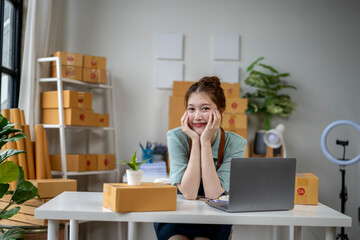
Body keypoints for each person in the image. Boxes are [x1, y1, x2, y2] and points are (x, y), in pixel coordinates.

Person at [154, 76, 247, 240]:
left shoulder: (236, 143)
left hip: (214, 216)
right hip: (180, 213)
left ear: (221, 111)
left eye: (204, 108)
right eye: (191, 109)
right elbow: (189, 193)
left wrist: (204, 141)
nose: (197, 116)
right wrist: (195, 140)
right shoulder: (176, 137)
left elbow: (213, 194)